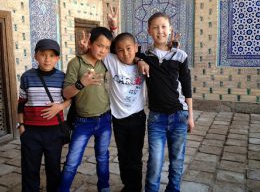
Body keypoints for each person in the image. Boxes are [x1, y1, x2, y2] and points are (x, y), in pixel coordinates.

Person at [78, 27, 147, 192]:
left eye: (129, 49)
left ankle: (135, 188)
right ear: (116, 52)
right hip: (118, 119)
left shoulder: (144, 64)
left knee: (135, 156)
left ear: (136, 47)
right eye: (120, 50)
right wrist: (86, 48)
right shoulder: (112, 61)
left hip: (138, 117)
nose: (125, 53)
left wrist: (140, 60)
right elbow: (100, 51)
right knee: (123, 155)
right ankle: (127, 185)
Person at [137, 12, 195, 192]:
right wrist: (139, 60)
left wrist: (190, 116)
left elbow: (187, 88)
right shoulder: (145, 55)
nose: (160, 31)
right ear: (149, 31)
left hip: (179, 115)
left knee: (177, 161)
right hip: (156, 118)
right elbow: (123, 50)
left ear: (170, 30)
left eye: (163, 27)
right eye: (155, 27)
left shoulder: (181, 56)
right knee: (155, 162)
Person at [58, 27, 113, 192]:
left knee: (103, 158)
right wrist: (81, 83)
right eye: (99, 45)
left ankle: (104, 187)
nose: (103, 50)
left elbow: (123, 51)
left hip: (104, 119)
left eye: (106, 47)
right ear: (90, 43)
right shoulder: (75, 63)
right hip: (83, 122)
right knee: (72, 161)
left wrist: (114, 27)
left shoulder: (105, 62)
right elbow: (66, 93)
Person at [17, 39, 71, 192]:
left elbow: (69, 99)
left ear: (57, 58)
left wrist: (60, 106)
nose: (47, 59)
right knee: (29, 169)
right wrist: (21, 126)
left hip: (54, 131)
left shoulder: (62, 77)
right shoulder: (27, 77)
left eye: (52, 55)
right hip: (31, 132)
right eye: (43, 55)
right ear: (36, 56)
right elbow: (21, 102)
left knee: (53, 169)